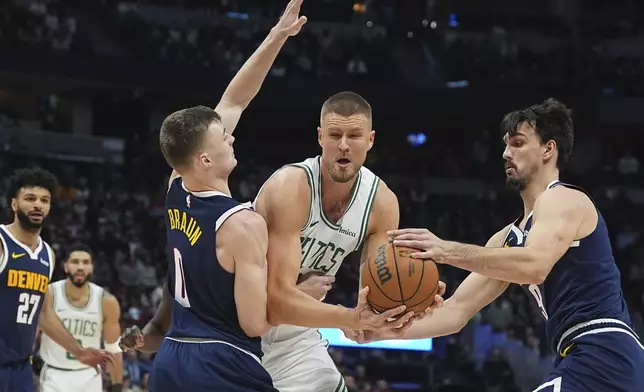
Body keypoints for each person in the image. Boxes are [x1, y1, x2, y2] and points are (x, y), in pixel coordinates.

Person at [362, 98, 644, 391]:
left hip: (605, 352)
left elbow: (535, 265)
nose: (507, 153)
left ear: (549, 149)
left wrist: (446, 250)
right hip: (580, 357)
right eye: (506, 145)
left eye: (519, 143)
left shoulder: (563, 199)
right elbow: (455, 312)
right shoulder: (507, 238)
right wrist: (378, 330)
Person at [118, 1, 308, 391]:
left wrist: (277, 36)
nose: (232, 136)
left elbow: (235, 100)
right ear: (205, 158)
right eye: (224, 138)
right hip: (223, 363)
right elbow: (255, 322)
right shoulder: (243, 222)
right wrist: (302, 293)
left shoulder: (176, 186)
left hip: (171, 359)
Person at [251, 90, 446, 392]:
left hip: (295, 337)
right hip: (240, 327)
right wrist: (349, 317)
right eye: (334, 135)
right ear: (320, 138)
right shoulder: (290, 187)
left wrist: (409, 306)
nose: (343, 145)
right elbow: (276, 303)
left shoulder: (381, 203)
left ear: (370, 140)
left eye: (354, 136)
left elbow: (375, 302)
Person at [0, 168, 110, 392]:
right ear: (14, 204)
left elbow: (43, 313)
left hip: (20, 367)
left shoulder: (47, 254)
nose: (38, 205)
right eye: (30, 199)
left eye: (44, 200)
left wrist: (78, 351)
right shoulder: (2, 243)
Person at [38, 243, 123, 392]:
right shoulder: (49, 294)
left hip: (90, 376)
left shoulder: (106, 301)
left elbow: (113, 349)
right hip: (53, 375)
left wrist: (117, 385)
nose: (80, 267)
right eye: (75, 262)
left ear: (92, 268)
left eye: (85, 262)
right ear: (65, 266)